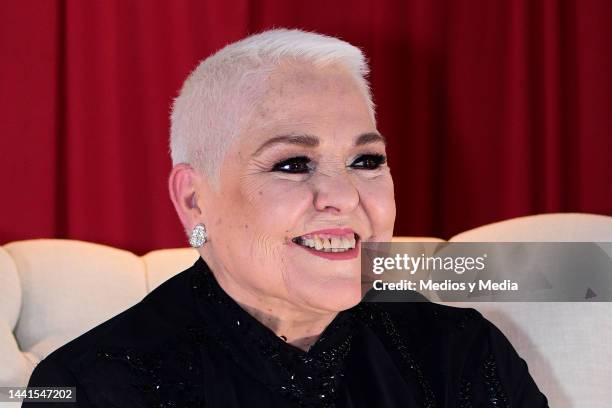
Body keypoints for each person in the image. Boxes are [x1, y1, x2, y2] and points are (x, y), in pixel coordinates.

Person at [24, 28, 548, 407]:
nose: (343, 196)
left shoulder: (459, 350)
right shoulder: (89, 386)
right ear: (193, 201)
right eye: (292, 164)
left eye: (366, 161)